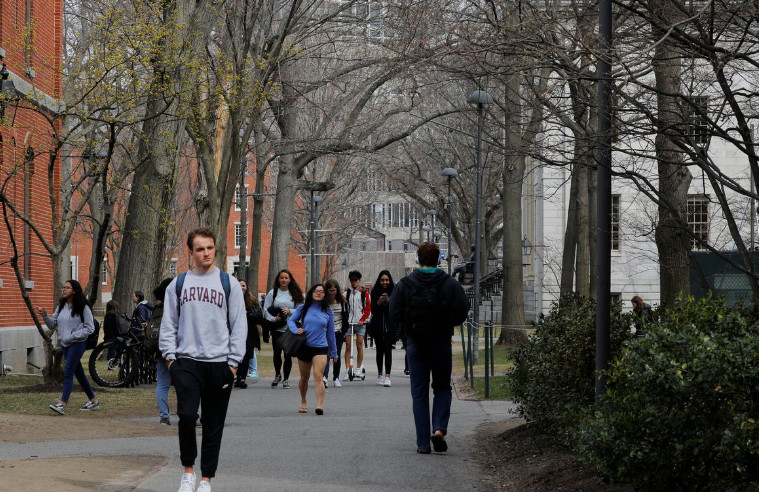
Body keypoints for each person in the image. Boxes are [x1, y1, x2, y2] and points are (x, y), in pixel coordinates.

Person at [159, 228, 247, 492]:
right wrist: (171, 359)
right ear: (191, 252)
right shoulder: (178, 284)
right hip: (186, 362)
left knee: (213, 422)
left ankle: (206, 478)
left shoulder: (228, 283)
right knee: (186, 416)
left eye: (209, 248)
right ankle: (188, 472)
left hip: (220, 364)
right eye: (200, 249)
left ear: (215, 249)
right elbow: (168, 324)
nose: (206, 253)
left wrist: (233, 364)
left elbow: (239, 324)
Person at [390, 242, 469, 454]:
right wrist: (447, 322)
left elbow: (394, 313)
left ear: (418, 259)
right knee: (442, 387)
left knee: (419, 392)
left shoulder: (405, 284)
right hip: (441, 342)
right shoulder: (449, 283)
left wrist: (407, 325)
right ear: (439, 259)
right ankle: (439, 429)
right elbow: (462, 310)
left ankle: (422, 442)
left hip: (416, 342)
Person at [36, 279, 100, 415]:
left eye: (67, 288)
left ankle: (62, 404)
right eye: (63, 287)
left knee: (68, 371)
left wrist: (73, 335)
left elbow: (90, 328)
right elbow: (52, 325)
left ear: (74, 291)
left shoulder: (83, 307)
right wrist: (45, 315)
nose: (64, 290)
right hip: (65, 344)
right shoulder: (61, 306)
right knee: (79, 373)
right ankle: (93, 401)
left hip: (77, 344)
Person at [287, 284, 338, 415]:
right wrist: (295, 329)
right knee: (304, 377)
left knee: (318, 376)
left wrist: (334, 352)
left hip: (320, 347)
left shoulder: (328, 311)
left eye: (321, 291)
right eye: (316, 291)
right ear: (311, 293)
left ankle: (319, 404)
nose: (319, 293)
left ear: (325, 295)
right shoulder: (303, 308)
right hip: (304, 346)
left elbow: (331, 333)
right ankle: (303, 401)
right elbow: (291, 321)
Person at [263, 269, 304, 389]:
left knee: (287, 354)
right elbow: (265, 310)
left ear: (290, 279)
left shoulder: (295, 293)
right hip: (277, 329)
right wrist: (273, 319)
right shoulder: (273, 293)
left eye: (286, 278)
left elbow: (302, 309)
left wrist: (290, 310)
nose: (284, 280)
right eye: (282, 278)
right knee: (277, 353)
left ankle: (286, 379)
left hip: (290, 329)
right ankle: (277, 375)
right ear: (278, 279)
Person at [147, 278, 174, 425]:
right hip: (177, 351)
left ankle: (164, 416)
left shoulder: (157, 308)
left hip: (159, 350)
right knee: (184, 384)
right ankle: (190, 414)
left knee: (162, 384)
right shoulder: (178, 307)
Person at [369, 270, 396, 387]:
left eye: (387, 280)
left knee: (388, 349)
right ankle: (380, 374)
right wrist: (379, 302)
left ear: (390, 281)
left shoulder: (394, 291)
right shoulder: (374, 292)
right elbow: (373, 311)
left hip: (390, 326)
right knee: (380, 350)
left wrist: (389, 301)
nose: (385, 282)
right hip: (377, 326)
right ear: (379, 281)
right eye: (382, 280)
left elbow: (396, 309)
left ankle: (388, 376)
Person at [343, 270, 371, 381]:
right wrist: (345, 320)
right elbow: (343, 308)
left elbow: (368, 309)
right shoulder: (346, 293)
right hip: (349, 323)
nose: (353, 282)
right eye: (352, 280)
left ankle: (358, 368)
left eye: (355, 280)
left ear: (359, 280)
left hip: (360, 323)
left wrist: (363, 319)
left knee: (359, 344)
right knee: (348, 345)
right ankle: (347, 369)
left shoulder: (364, 293)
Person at [236, 279, 263, 388]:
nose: (242, 287)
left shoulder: (252, 301)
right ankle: (237, 376)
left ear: (246, 287)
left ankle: (242, 378)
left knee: (247, 355)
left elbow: (259, 316)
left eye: (243, 285)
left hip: (249, 332)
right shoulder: (230, 299)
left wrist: (248, 314)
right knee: (237, 355)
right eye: (239, 285)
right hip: (235, 332)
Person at [322, 279, 348, 387]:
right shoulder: (323, 303)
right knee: (326, 355)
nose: (332, 293)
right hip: (326, 332)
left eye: (333, 290)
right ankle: (325, 377)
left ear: (337, 290)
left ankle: (336, 378)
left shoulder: (343, 303)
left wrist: (343, 331)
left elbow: (346, 318)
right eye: (329, 291)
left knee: (336, 355)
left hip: (338, 331)